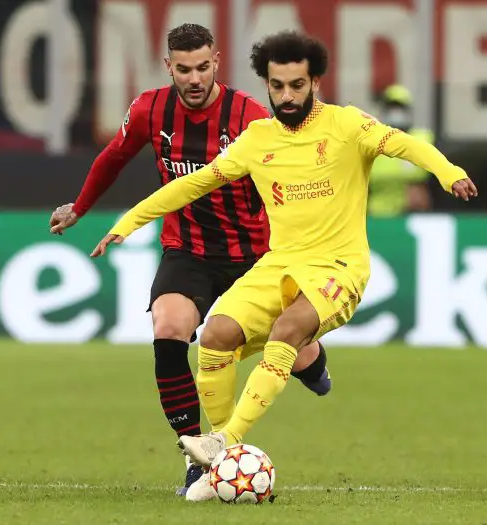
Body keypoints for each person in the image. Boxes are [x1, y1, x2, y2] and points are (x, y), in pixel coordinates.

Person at [91, 29, 476, 500]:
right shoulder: (258, 139)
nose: (287, 96)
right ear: (267, 85)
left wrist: (450, 173)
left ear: (315, 81)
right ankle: (221, 460)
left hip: (338, 267)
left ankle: (224, 443)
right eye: (277, 86)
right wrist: (129, 222)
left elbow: (407, 146)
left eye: (297, 85)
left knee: (287, 331)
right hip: (278, 264)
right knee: (215, 336)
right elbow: (193, 185)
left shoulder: (348, 125)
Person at [48, 24, 331, 497]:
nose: (195, 78)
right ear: (169, 67)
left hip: (254, 250)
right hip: (189, 249)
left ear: (217, 62)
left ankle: (312, 360)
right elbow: (115, 156)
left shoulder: (248, 115)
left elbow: (291, 169)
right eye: (184, 69)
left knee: (293, 343)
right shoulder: (149, 109)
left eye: (203, 67)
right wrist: (81, 207)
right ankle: (197, 458)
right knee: (169, 327)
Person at [368, 84, 434, 216]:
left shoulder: (422, 138)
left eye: (399, 108)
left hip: (411, 213)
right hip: (376, 216)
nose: (395, 112)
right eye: (391, 107)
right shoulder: (371, 142)